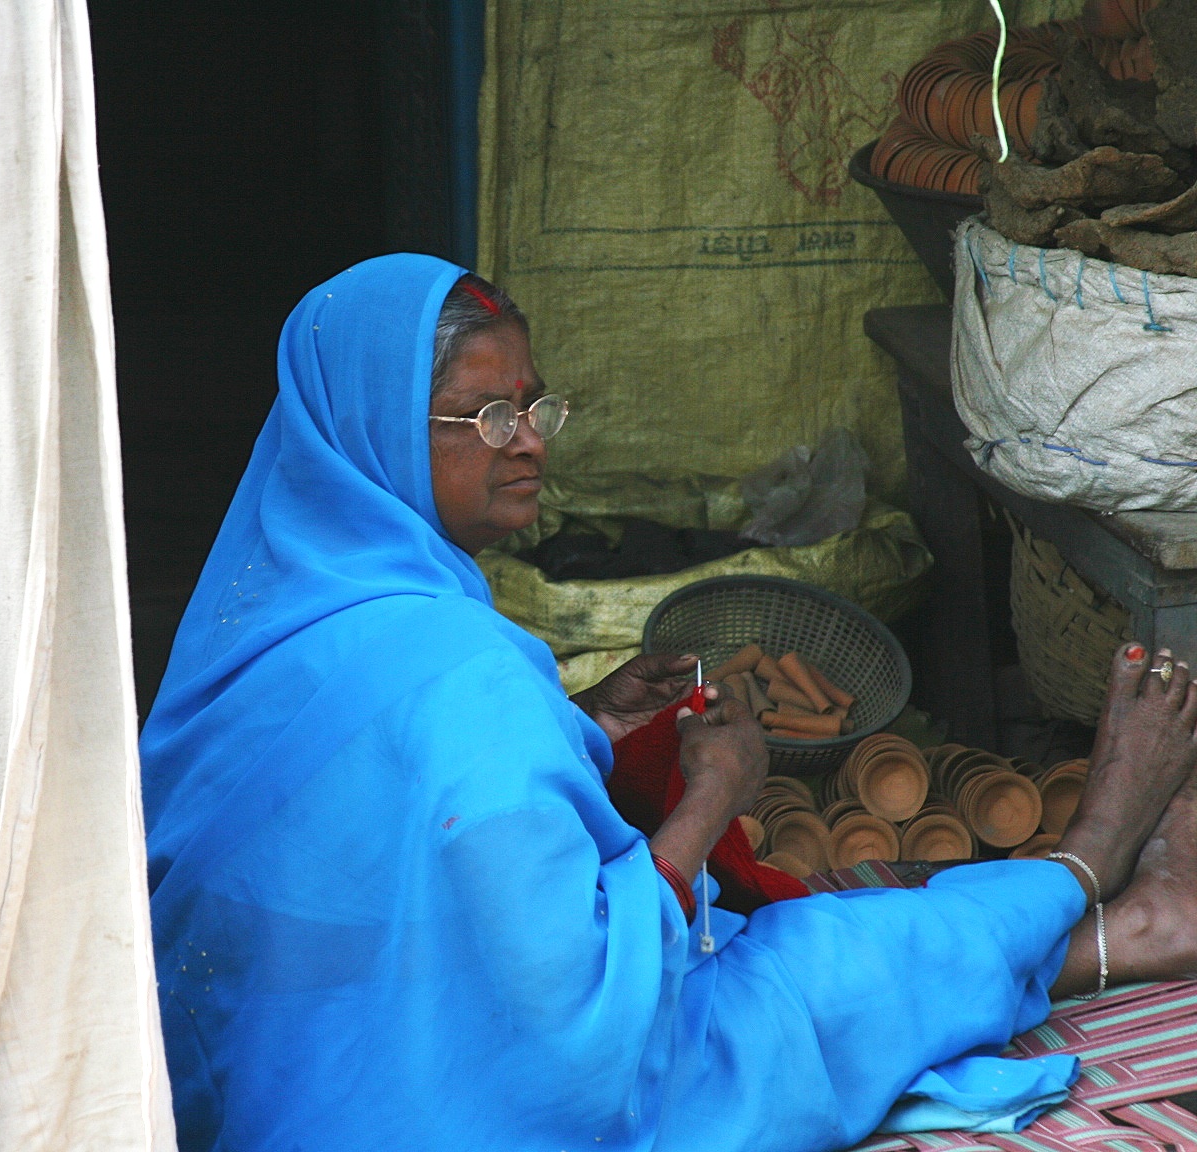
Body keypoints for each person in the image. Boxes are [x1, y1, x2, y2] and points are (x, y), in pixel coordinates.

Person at [139, 253, 1197, 1152]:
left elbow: (386, 833)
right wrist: (713, 796)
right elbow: (578, 1013)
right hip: (490, 1107)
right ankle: (1095, 868)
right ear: (374, 427)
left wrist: (586, 719)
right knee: (821, 966)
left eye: (534, 405)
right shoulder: (462, 668)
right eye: (490, 414)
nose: (531, 440)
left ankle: (1101, 930)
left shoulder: (262, 623)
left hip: (287, 1089)